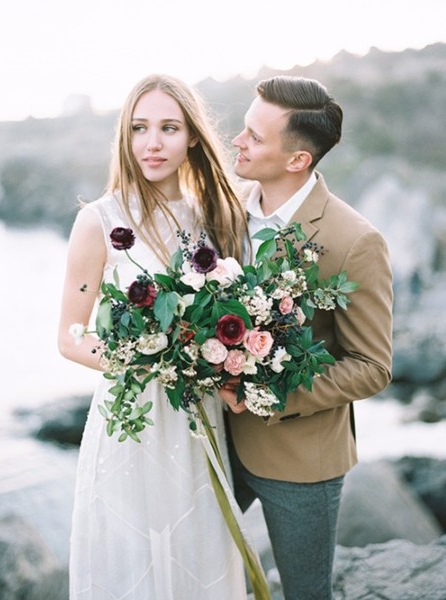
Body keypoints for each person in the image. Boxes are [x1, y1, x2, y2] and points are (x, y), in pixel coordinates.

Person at [57, 74, 251, 599]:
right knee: (129, 563)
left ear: (192, 136)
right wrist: (148, 361)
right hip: (129, 420)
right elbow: (71, 336)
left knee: (200, 555)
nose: (152, 142)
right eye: (140, 128)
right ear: (126, 136)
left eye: (169, 127)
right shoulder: (98, 221)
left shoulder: (217, 218)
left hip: (196, 418)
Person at [220, 75, 393, 599]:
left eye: (254, 135)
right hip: (215, 439)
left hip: (302, 458)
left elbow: (372, 365)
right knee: (199, 573)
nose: (238, 141)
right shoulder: (225, 209)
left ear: (297, 159)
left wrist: (267, 394)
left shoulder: (354, 240)